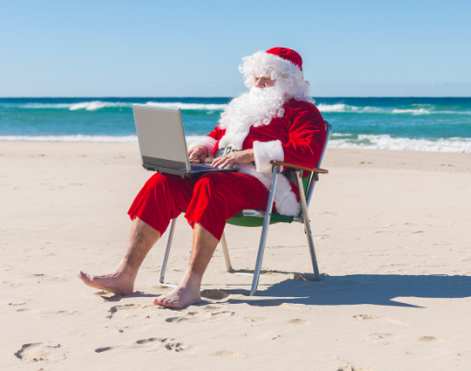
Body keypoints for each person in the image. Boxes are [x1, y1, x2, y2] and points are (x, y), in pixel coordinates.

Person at [78, 47, 326, 309]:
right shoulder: (245, 108)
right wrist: (202, 148)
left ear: (288, 79)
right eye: (256, 76)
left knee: (210, 185)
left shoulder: (303, 112)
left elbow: (308, 154)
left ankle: (190, 285)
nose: (259, 82)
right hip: (221, 174)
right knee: (163, 182)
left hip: (267, 185)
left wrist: (249, 155)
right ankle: (124, 274)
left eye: (268, 76)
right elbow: (217, 136)